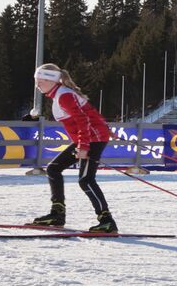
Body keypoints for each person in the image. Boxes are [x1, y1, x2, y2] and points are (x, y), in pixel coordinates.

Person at [30, 64, 117, 232]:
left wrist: (83, 146)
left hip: (92, 139)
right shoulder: (61, 94)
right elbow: (89, 111)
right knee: (53, 169)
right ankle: (57, 214)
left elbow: (83, 120)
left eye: (40, 81)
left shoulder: (64, 96)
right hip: (89, 137)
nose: (37, 85)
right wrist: (106, 128)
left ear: (50, 80)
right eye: (36, 81)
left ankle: (107, 221)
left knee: (86, 180)